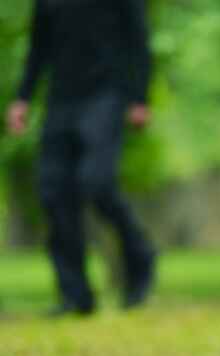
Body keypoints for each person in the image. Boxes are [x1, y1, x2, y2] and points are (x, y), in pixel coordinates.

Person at [6, 0, 156, 316]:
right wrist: (22, 97)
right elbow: (38, 46)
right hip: (61, 100)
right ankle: (76, 296)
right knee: (53, 192)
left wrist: (140, 97)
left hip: (107, 95)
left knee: (97, 183)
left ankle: (140, 258)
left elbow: (138, 39)